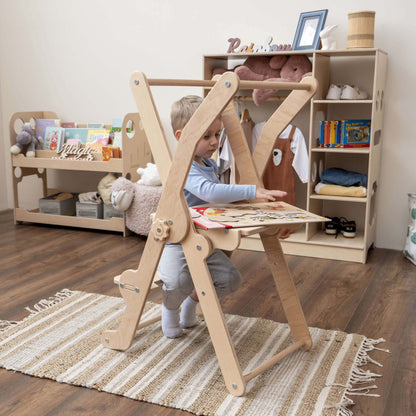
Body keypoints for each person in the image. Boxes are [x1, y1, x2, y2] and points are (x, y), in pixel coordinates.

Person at [158, 95, 290, 338]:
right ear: (181, 137)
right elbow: (208, 192)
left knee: (230, 280)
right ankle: (170, 309)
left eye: (217, 135)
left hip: (205, 239)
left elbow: (218, 199)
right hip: (180, 239)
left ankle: (190, 303)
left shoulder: (208, 164)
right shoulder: (183, 167)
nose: (214, 142)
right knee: (178, 282)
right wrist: (252, 191)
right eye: (206, 136)